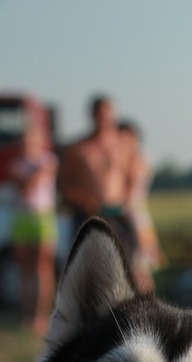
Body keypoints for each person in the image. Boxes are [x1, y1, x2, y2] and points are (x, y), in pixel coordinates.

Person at [58, 95, 138, 269]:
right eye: (99, 113)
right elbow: (64, 186)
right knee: (90, 269)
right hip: (89, 214)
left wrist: (128, 199)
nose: (103, 117)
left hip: (119, 212)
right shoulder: (77, 148)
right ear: (92, 115)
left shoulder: (125, 144)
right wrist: (84, 199)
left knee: (125, 268)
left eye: (107, 113)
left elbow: (133, 176)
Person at [8, 121, 58, 335]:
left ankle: (41, 316)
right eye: (23, 140)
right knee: (24, 269)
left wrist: (32, 177)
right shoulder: (16, 164)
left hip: (42, 218)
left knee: (42, 267)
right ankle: (28, 315)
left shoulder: (49, 159)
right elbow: (25, 186)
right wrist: (33, 175)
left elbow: (30, 184)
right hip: (21, 218)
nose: (26, 143)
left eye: (30, 139)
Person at [118, 120, 165, 293]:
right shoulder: (135, 158)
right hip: (135, 215)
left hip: (133, 217)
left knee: (138, 267)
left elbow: (131, 193)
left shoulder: (138, 158)